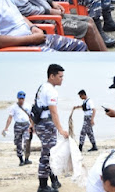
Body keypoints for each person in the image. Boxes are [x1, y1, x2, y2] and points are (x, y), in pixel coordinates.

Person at [35, 64, 69, 192]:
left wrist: (33, 125)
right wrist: (60, 129)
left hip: (40, 124)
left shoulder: (42, 87)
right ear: (52, 76)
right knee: (47, 155)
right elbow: (53, 112)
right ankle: (43, 186)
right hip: (46, 125)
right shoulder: (51, 91)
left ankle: (53, 181)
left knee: (49, 153)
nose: (62, 79)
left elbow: (36, 107)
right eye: (60, 76)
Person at [2, 91, 33, 166]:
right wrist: (6, 128)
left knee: (27, 142)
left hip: (26, 125)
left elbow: (31, 117)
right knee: (18, 143)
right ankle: (21, 160)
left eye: (22, 98)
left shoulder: (28, 106)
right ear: (18, 98)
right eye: (20, 98)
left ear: (24, 98)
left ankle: (26, 159)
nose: (21, 100)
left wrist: (32, 125)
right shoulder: (13, 107)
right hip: (18, 126)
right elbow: (10, 118)